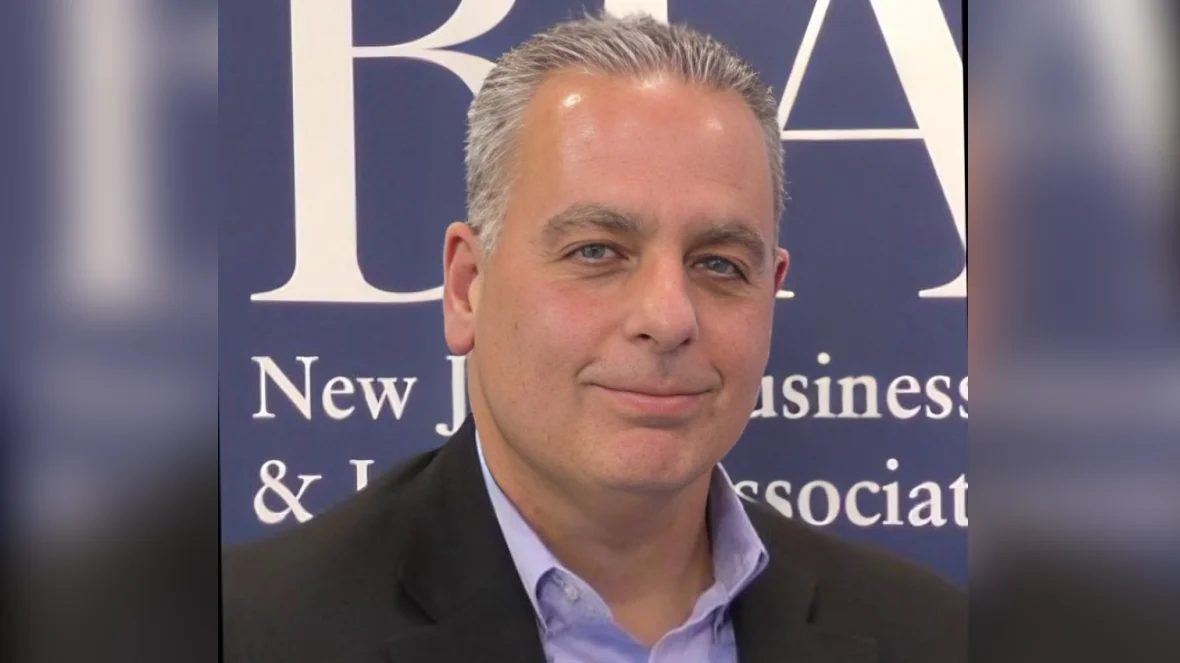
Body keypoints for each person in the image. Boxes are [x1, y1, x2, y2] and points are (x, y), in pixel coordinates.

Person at [223, 13, 965, 663]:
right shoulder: (253, 631)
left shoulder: (932, 634)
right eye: (597, 251)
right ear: (466, 286)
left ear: (770, 293)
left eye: (718, 264)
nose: (668, 317)